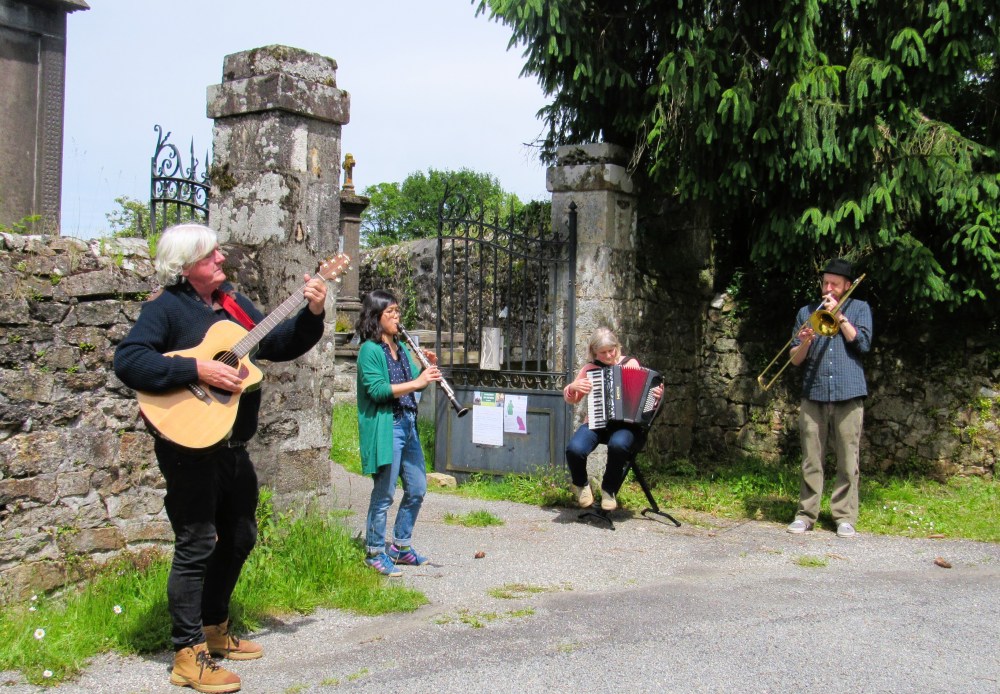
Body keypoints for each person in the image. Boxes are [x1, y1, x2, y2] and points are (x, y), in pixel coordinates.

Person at [114, 223, 327, 693]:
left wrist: (313, 311)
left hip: (232, 444)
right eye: (211, 255)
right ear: (187, 264)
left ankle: (213, 628)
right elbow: (128, 361)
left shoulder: (232, 303)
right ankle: (187, 655)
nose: (221, 260)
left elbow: (277, 343)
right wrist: (198, 368)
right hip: (189, 447)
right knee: (196, 543)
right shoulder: (166, 308)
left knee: (240, 535)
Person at [355, 289, 442, 577]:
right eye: (390, 312)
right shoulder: (370, 350)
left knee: (417, 488)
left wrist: (425, 368)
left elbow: (412, 383)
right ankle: (374, 551)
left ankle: (400, 547)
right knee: (384, 493)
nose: (396, 317)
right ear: (375, 316)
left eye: (397, 311)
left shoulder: (401, 347)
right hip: (387, 427)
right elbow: (379, 391)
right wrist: (418, 382)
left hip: (408, 423)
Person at [786, 258, 872, 539]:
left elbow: (863, 344)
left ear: (847, 285)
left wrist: (840, 316)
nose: (828, 288)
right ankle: (805, 515)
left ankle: (844, 516)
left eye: (834, 284)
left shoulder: (860, 308)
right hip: (815, 391)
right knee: (811, 459)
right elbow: (795, 359)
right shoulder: (807, 312)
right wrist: (805, 341)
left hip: (849, 392)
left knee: (848, 460)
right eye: (825, 283)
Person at [563, 328, 662, 512]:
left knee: (618, 446)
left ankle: (609, 490)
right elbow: (573, 399)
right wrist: (572, 387)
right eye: (603, 352)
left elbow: (643, 395)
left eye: (612, 350)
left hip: (625, 425)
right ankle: (581, 485)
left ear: (617, 346)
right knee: (574, 449)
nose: (609, 355)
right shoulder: (589, 369)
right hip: (597, 422)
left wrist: (655, 395)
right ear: (594, 352)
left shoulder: (630, 363)